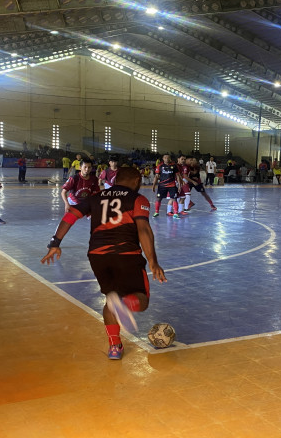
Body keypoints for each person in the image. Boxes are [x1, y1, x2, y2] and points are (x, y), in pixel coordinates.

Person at [41, 167, 166, 360]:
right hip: (126, 255)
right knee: (141, 300)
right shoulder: (137, 199)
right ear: (136, 180)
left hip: (97, 256)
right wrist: (153, 261)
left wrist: (55, 243)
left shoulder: (96, 197)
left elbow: (70, 216)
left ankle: (115, 347)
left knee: (111, 299)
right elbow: (144, 229)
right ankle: (124, 304)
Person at [152, 154, 181, 219]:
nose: (167, 159)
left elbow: (178, 176)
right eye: (165, 157)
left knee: (174, 199)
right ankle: (156, 212)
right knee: (158, 198)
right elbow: (156, 176)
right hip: (162, 186)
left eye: (168, 157)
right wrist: (153, 186)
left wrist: (179, 185)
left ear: (170, 158)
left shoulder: (174, 166)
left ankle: (176, 213)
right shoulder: (160, 166)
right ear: (163, 158)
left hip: (172, 185)